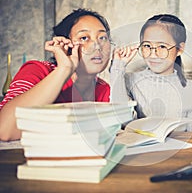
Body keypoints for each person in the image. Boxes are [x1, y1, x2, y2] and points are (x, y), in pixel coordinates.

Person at [0, 8, 112, 141]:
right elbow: (5, 130)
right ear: (66, 44)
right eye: (84, 38)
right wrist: (64, 69)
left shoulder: (103, 89)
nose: (97, 46)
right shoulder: (37, 70)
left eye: (103, 38)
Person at [110, 14, 192, 132]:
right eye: (147, 46)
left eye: (162, 46)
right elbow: (121, 120)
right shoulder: (129, 81)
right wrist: (117, 67)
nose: (153, 54)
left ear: (180, 49)